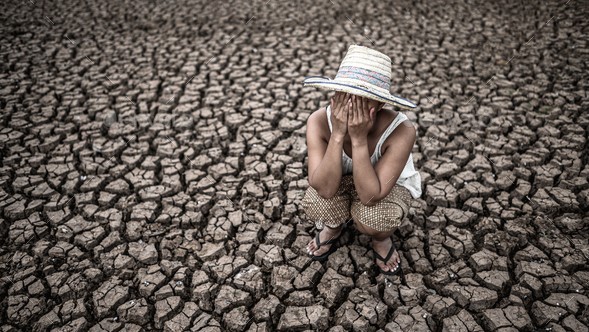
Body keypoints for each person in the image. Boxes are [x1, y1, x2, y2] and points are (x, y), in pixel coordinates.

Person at [301, 44, 422, 275]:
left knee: (374, 218)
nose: (351, 106)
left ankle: (381, 239)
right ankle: (334, 226)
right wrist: (337, 135)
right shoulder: (318, 121)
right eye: (345, 95)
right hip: (341, 183)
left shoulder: (402, 129)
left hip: (382, 190)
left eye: (363, 99)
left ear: (379, 105)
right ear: (334, 95)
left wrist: (358, 140)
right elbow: (324, 190)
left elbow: (369, 196)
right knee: (316, 201)